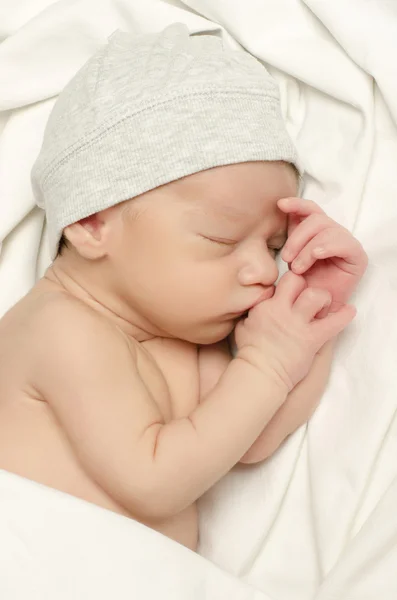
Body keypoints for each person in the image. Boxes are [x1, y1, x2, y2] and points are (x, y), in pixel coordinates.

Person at [0, 24, 367, 551]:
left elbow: (251, 437)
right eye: (221, 238)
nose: (264, 272)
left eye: (271, 246)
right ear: (92, 224)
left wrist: (313, 310)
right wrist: (266, 365)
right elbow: (154, 483)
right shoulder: (60, 328)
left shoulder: (181, 340)